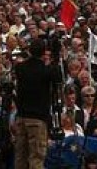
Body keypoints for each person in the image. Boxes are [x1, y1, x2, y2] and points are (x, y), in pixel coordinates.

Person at [13, 38, 62, 169]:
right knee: (36, 157)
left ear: (29, 50)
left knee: (20, 156)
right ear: (43, 53)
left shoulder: (20, 68)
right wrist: (55, 59)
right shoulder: (45, 71)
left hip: (21, 117)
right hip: (37, 119)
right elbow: (57, 76)